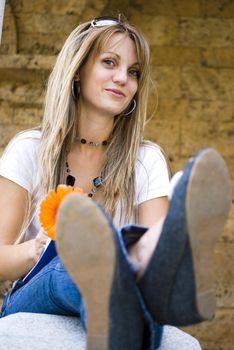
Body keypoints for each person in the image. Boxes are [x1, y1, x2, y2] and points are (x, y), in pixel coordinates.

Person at [0, 16, 231, 350]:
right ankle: (134, 256)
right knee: (81, 258)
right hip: (38, 290)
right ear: (77, 69)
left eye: (134, 72)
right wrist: (37, 251)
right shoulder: (29, 149)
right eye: (110, 62)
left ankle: (150, 255)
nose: (123, 78)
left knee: (125, 269)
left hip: (123, 292)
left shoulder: (146, 159)